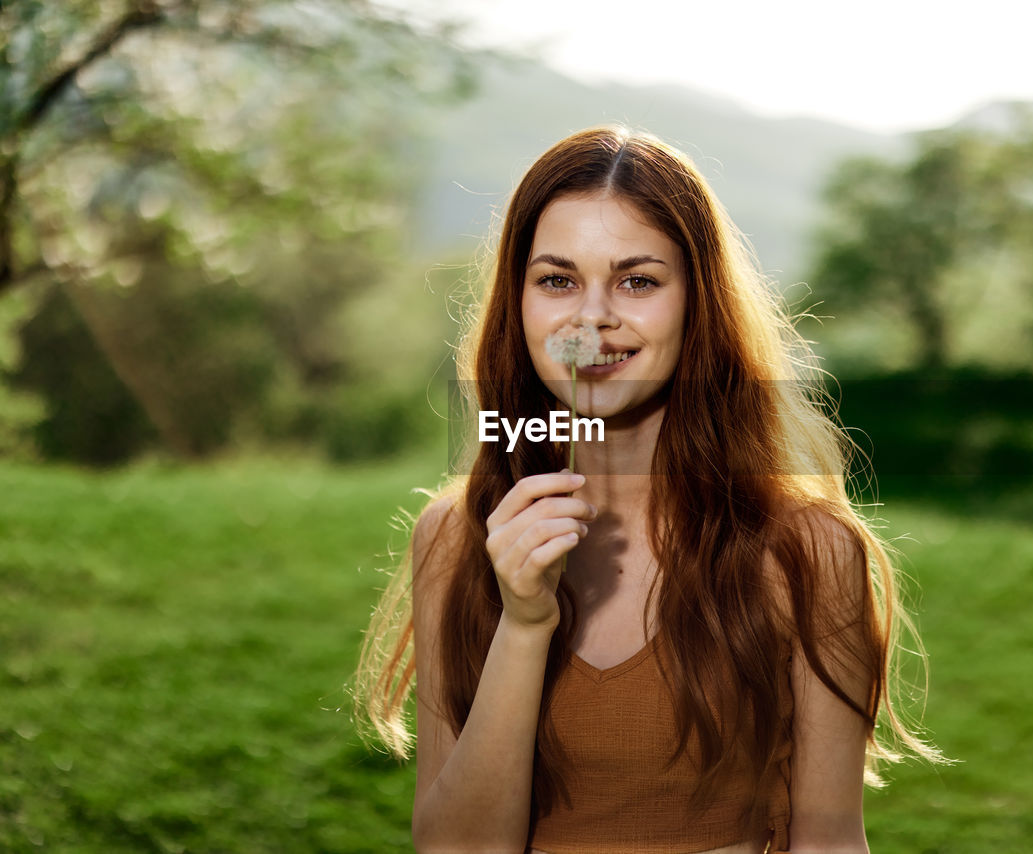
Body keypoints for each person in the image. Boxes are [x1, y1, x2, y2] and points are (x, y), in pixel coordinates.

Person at [354, 126, 945, 853]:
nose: (592, 317)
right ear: (520, 304)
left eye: (637, 281)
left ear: (699, 304)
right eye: (557, 280)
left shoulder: (807, 551)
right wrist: (525, 622)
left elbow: (829, 843)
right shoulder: (454, 538)